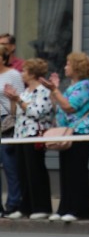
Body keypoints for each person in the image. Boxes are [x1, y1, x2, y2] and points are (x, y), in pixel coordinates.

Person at [40, 52, 89, 222]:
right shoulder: (72, 86)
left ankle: (79, 210)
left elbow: (70, 107)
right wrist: (54, 91)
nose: (65, 67)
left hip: (81, 132)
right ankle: (65, 207)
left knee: (76, 171)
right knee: (66, 171)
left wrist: (54, 90)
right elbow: (58, 105)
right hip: (68, 132)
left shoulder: (85, 85)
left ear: (77, 67)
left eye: (68, 64)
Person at [4, 58, 53, 219]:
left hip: (34, 135)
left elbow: (36, 112)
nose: (22, 74)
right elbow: (15, 113)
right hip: (20, 134)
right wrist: (13, 100)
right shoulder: (26, 92)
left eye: (24, 71)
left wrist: (18, 100)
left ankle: (41, 207)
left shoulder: (43, 92)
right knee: (22, 171)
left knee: (35, 170)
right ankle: (25, 206)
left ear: (32, 74)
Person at [0, 43, 25, 217]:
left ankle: (14, 202)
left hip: (6, 121)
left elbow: (21, 98)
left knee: (9, 164)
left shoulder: (13, 75)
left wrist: (15, 119)